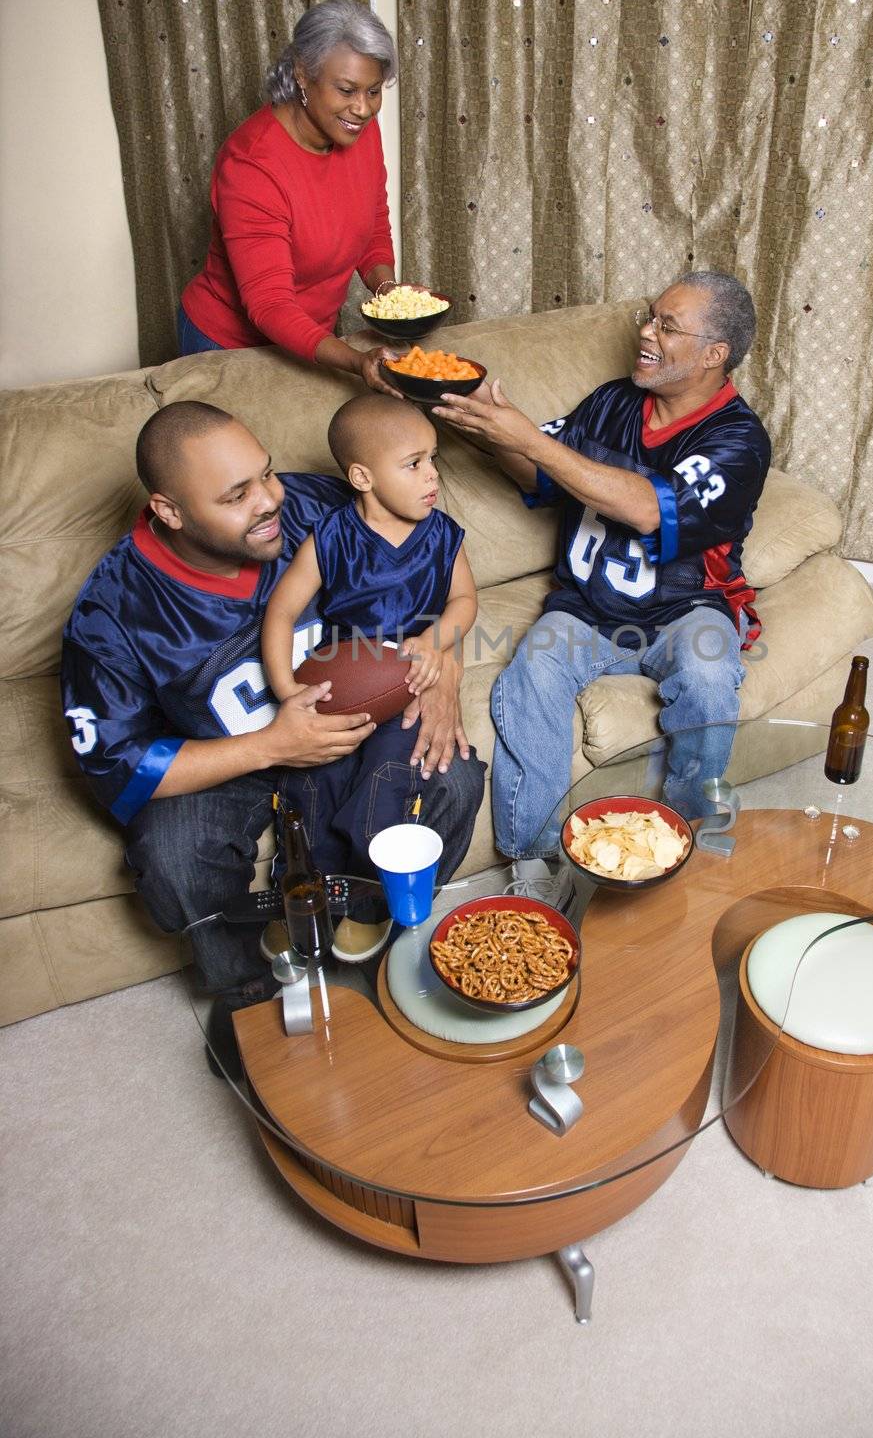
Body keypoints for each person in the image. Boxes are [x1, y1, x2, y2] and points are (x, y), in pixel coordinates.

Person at [60, 402, 485, 1061]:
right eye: (237, 495)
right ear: (170, 511)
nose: (269, 500)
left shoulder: (319, 508)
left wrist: (444, 666)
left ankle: (370, 947)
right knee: (172, 856)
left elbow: (424, 578)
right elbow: (116, 765)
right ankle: (248, 995)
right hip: (229, 754)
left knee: (448, 776)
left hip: (349, 721)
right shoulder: (111, 613)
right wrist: (271, 745)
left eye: (265, 474)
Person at [433, 270, 771, 894]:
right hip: (587, 606)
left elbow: (649, 507)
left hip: (687, 607)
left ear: (713, 355)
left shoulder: (738, 440)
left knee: (709, 675)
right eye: (650, 316)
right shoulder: (612, 400)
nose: (645, 332)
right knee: (532, 674)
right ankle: (534, 863)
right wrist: (479, 423)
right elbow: (539, 477)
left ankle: (681, 832)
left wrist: (528, 437)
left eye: (667, 327)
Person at [261, 394, 478, 954]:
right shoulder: (331, 536)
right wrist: (288, 691)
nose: (432, 475)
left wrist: (433, 643)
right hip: (347, 678)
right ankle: (305, 895)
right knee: (315, 783)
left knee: (390, 773)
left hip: (408, 683)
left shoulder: (442, 535)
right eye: (413, 464)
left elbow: (464, 602)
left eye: (434, 459)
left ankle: (365, 902)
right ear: (362, 476)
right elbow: (281, 612)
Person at [179, 0, 405, 396]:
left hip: (312, 338)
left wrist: (389, 293)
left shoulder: (360, 131)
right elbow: (270, 304)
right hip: (229, 346)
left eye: (373, 91)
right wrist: (356, 361)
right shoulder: (252, 164)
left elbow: (371, 226)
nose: (363, 108)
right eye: (347, 90)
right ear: (302, 73)